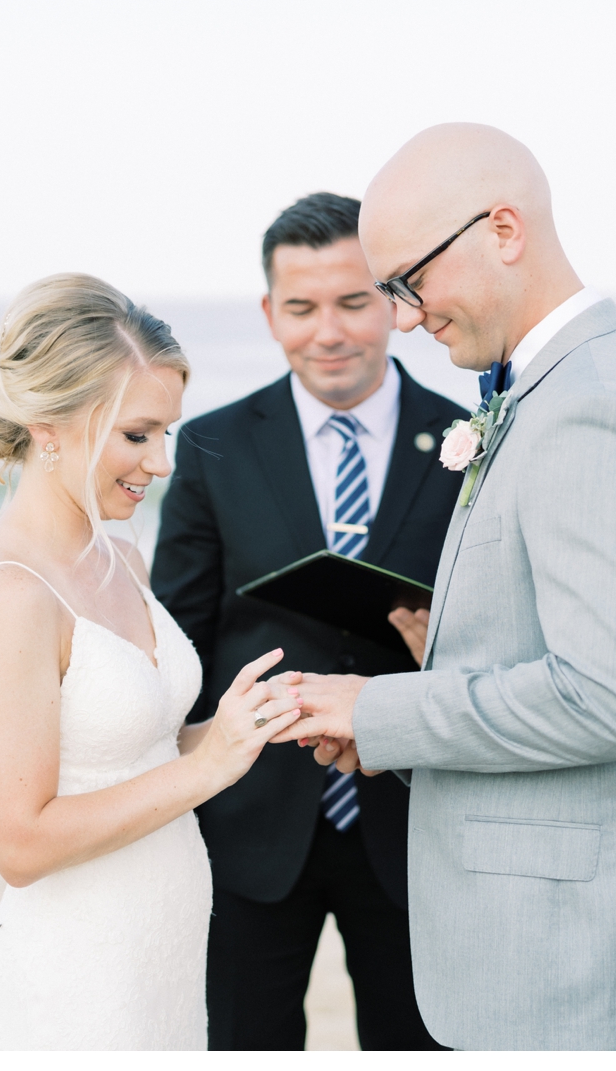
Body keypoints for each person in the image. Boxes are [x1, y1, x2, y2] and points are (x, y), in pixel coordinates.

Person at [274, 125, 616, 1050]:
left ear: (504, 229)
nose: (402, 319)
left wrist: (383, 711)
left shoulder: (597, 408)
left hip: (569, 959)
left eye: (409, 282)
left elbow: (608, 700)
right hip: (544, 947)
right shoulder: (549, 390)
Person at [0, 273, 303, 1050]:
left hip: (161, 967)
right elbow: (19, 843)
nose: (163, 462)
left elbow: (137, 755)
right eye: (138, 435)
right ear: (50, 428)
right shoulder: (10, 595)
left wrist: (243, 727)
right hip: (76, 979)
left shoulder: (121, 555)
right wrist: (206, 774)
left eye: (166, 433)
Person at [150, 193, 464, 1050]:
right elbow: (177, 637)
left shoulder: (470, 440)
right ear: (270, 313)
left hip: (413, 819)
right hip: (250, 823)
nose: (329, 331)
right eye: (302, 307)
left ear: (396, 303)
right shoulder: (214, 445)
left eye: (354, 301)